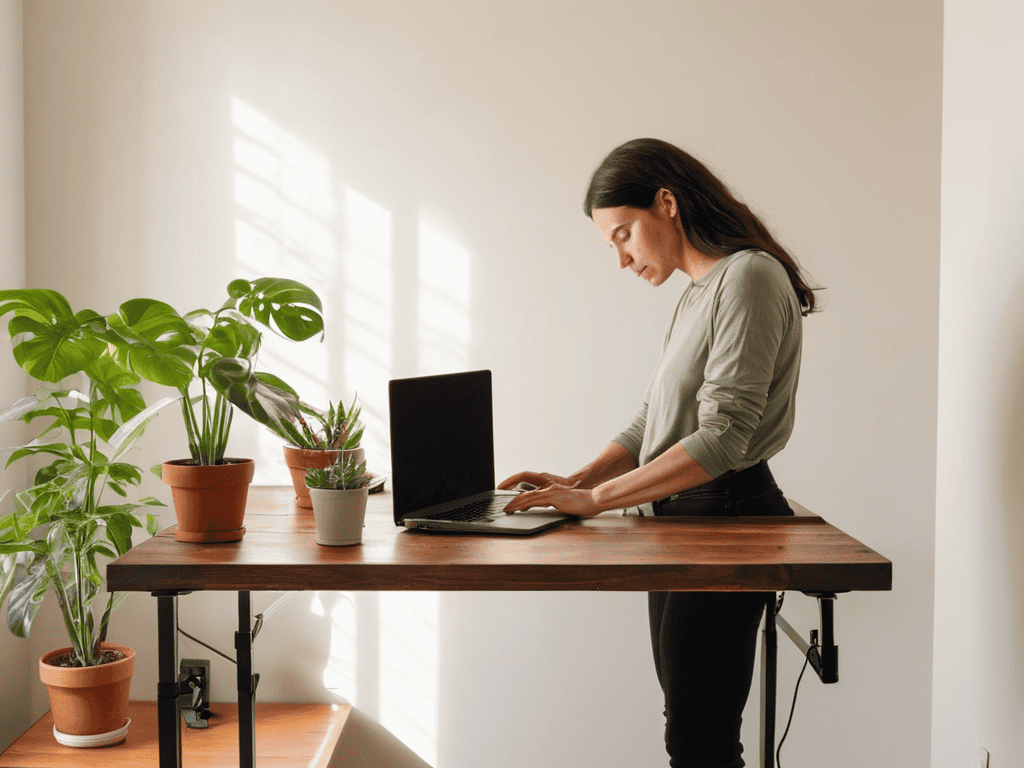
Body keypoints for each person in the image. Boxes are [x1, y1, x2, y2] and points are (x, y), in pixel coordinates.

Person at [499, 137, 818, 768]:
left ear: (666, 204)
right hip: (680, 520)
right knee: (689, 728)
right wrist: (577, 479)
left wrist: (594, 500)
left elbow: (724, 435)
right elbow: (656, 420)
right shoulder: (699, 291)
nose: (620, 258)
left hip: (724, 516)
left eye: (623, 234)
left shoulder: (749, 276)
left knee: (699, 740)